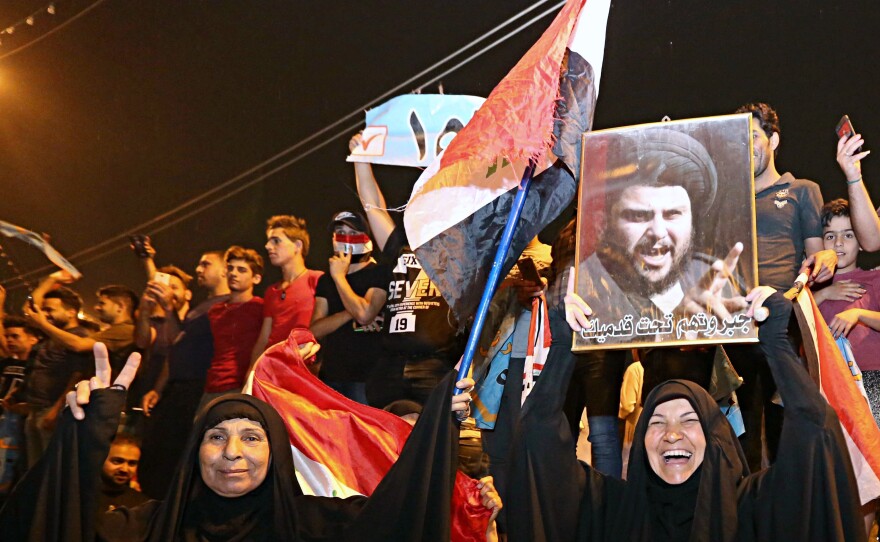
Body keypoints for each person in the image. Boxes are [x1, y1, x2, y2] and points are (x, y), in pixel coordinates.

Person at [0, 342, 501, 541]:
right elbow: (44, 528)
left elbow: (403, 517)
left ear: (276, 451)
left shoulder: (323, 527)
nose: (232, 453)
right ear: (195, 452)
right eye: (215, 437)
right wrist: (85, 438)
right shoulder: (146, 529)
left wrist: (440, 429)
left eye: (251, 437)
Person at [491, 275, 864, 542]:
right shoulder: (610, 509)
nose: (672, 434)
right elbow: (538, 444)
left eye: (690, 420)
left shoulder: (753, 507)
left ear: (717, 437)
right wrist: (562, 350)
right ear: (639, 441)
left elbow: (817, 437)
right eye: (656, 422)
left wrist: (777, 347)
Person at [728, 102, 838, 472]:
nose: (747, 144)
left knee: (784, 437)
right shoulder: (727, 199)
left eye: (754, 136)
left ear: (773, 140)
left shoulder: (802, 190)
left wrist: (827, 260)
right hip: (734, 328)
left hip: (782, 328)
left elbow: (817, 258)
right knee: (742, 443)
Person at [576, 128, 749, 347]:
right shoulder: (583, 285)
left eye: (672, 214)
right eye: (639, 216)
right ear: (609, 221)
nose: (658, 232)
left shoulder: (720, 282)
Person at [351, 133, 464, 406]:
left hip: (435, 366)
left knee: (429, 444)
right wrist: (361, 160)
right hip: (389, 366)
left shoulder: (460, 249)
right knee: (386, 445)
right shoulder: (400, 245)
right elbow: (372, 207)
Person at [136, 249, 230, 499]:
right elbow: (177, 348)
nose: (198, 269)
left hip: (199, 389)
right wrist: (158, 388)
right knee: (158, 453)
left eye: (205, 264)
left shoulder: (230, 305)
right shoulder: (199, 308)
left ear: (225, 270)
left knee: (180, 457)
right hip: (176, 391)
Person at [311, 211, 387, 404]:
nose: (345, 237)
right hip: (332, 375)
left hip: (369, 377)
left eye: (352, 232)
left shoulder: (379, 272)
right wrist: (349, 311)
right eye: (340, 231)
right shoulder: (325, 280)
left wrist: (339, 277)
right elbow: (315, 330)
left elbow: (363, 314)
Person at [19, 277, 91, 466]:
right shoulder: (50, 334)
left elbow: (78, 376)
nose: (44, 314)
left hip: (53, 411)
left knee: (51, 468)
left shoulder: (78, 337)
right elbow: (30, 311)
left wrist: (56, 410)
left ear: (71, 312)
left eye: (50, 309)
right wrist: (49, 280)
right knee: (34, 467)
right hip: (36, 409)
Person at [251, 215, 323, 365]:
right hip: (274, 367)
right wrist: (252, 371)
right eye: (268, 241)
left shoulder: (317, 279)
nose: (268, 246)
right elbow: (264, 337)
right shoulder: (271, 291)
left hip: (305, 366)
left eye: (276, 241)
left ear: (298, 245)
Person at [203, 246, 264, 404]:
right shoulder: (215, 311)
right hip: (212, 385)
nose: (234, 273)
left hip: (242, 385)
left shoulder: (261, 308)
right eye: (230, 268)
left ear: (256, 278)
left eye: (242, 270)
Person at [98, 434, 150, 513]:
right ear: (101, 459)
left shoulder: (142, 504)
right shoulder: (80, 497)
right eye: (118, 461)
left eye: (132, 463)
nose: (125, 469)